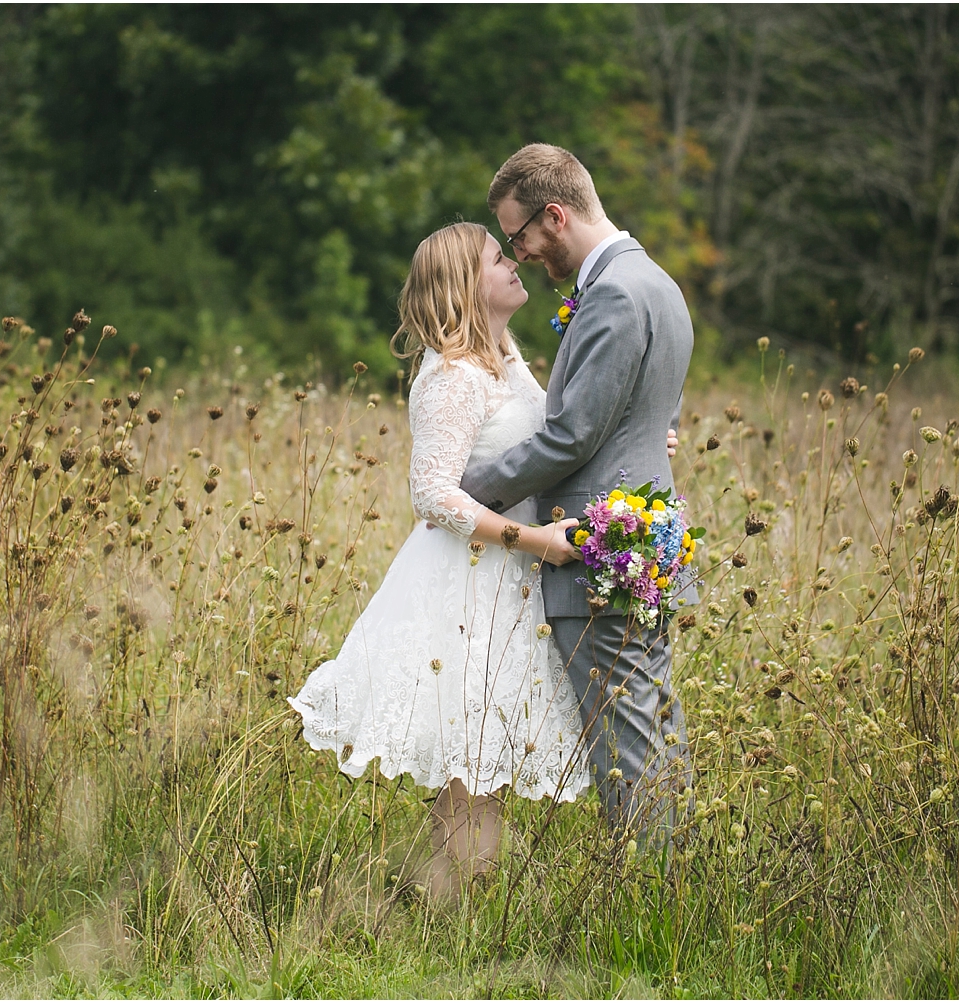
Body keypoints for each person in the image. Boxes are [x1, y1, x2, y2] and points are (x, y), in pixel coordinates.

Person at [288, 221, 680, 900]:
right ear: (466, 284)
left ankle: (449, 915)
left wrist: (640, 438)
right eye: (499, 258)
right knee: (471, 762)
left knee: (485, 763)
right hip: (470, 586)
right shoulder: (451, 376)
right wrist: (536, 542)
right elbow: (433, 494)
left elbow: (559, 439)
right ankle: (447, 919)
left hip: (509, 584)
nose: (515, 262)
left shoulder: (505, 359)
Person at [460, 143, 699, 851]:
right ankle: (681, 883)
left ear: (555, 215)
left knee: (626, 744)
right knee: (653, 725)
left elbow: (571, 438)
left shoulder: (615, 295)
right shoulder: (656, 282)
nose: (522, 252)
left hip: (599, 551)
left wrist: (463, 493)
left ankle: (656, 902)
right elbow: (654, 417)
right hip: (644, 537)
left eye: (521, 234)